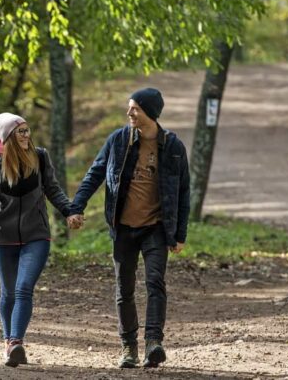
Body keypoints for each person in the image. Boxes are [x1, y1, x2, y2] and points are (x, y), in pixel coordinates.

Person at [69, 87, 190, 369]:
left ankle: (153, 342)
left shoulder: (173, 147)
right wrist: (77, 206)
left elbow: (184, 192)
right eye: (130, 107)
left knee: (155, 282)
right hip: (123, 227)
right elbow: (95, 174)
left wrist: (179, 235)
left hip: (156, 228)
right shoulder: (119, 140)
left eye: (135, 108)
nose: (129, 113)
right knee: (124, 289)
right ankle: (129, 347)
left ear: (150, 112)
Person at [0, 112, 84, 367]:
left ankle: (16, 343)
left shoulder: (40, 157)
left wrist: (69, 211)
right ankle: (8, 343)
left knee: (23, 288)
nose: (26, 136)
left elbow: (52, 189)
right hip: (4, 239)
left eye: (27, 130)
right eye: (20, 132)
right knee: (8, 293)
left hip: (36, 236)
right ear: (8, 136)